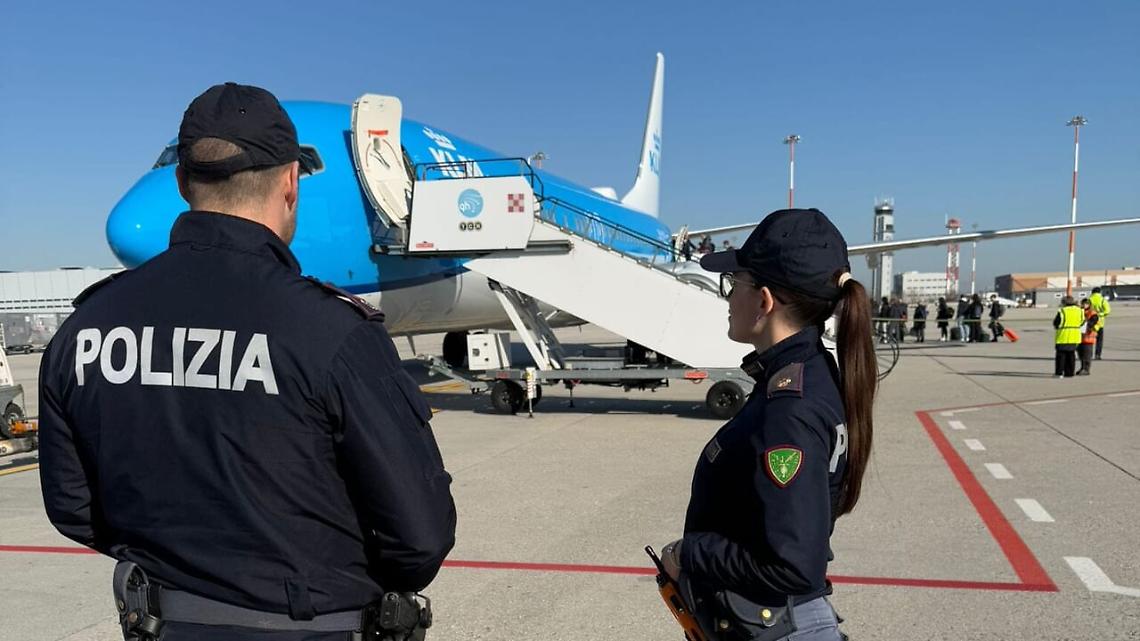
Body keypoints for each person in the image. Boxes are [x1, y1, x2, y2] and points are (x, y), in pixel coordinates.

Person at [37, 83, 457, 640]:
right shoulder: (332, 330)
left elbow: (72, 508)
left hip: (166, 623)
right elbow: (419, 533)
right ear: (290, 182)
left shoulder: (85, 328)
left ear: (184, 182)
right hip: (314, 624)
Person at [658, 208, 876, 641]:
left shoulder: (789, 406)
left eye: (733, 283)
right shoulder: (805, 374)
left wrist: (689, 553)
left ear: (764, 301)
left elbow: (793, 565)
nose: (728, 297)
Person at [1053, 295, 1083, 378]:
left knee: (1061, 355)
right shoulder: (1079, 310)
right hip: (1075, 335)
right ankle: (1069, 373)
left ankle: (1059, 373)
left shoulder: (1062, 311)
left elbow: (1056, 322)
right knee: (1071, 355)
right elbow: (1082, 321)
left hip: (1063, 335)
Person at [1077, 298, 1099, 375]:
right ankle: (1082, 367)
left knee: (1087, 355)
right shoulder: (1080, 311)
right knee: (1081, 354)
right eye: (1083, 304)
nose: (1084, 305)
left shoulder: (1093, 313)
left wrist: (1085, 322)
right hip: (1080, 336)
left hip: (1088, 337)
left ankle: (1086, 369)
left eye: (1086, 304)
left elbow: (1092, 322)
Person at [1089, 287, 1111, 359]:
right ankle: (1097, 355)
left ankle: (1088, 354)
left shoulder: (1089, 299)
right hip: (1100, 323)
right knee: (1099, 340)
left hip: (1090, 322)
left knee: (1089, 339)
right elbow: (1107, 310)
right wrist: (1100, 314)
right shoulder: (1102, 300)